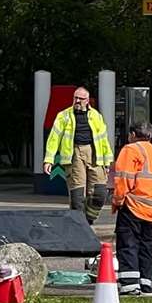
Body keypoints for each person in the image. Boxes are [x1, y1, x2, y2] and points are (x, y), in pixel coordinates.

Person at [111, 121, 152, 296]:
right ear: (150, 136)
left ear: (132, 134)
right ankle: (146, 284)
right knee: (146, 246)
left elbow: (123, 179)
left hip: (132, 206)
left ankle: (130, 285)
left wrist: (117, 200)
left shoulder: (130, 150)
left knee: (128, 244)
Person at [44, 87, 114, 223]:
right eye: (75, 98)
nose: (77, 101)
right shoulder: (63, 116)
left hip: (94, 155)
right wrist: (49, 159)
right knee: (77, 196)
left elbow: (103, 140)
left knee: (99, 193)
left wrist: (107, 162)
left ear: (87, 100)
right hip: (74, 155)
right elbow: (54, 138)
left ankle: (89, 219)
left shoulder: (96, 116)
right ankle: (80, 224)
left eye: (80, 99)